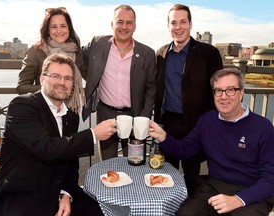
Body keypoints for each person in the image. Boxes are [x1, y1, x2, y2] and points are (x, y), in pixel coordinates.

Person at [0, 54, 116, 216]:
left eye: (67, 78)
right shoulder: (23, 105)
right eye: (55, 76)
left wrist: (66, 194)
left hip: (57, 190)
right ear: (42, 79)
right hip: (22, 194)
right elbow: (46, 148)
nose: (62, 82)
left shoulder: (71, 116)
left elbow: (71, 162)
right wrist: (93, 134)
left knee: (101, 211)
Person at [149, 68, 274, 216]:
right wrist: (162, 136)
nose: (223, 96)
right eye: (218, 91)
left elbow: (271, 178)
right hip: (214, 186)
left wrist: (238, 199)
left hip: (251, 191)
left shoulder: (263, 127)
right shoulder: (207, 121)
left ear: (241, 93)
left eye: (230, 90)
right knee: (186, 213)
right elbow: (183, 150)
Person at [154, 3, 223, 195]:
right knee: (167, 174)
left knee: (192, 175)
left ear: (190, 24)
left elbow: (219, 89)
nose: (178, 27)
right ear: (168, 26)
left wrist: (214, 122)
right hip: (168, 122)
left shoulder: (208, 53)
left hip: (196, 123)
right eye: (173, 23)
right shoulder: (160, 54)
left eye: (183, 22)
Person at [82, 5, 156, 160]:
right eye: (120, 21)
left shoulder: (147, 53)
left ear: (135, 26)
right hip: (106, 114)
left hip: (135, 116)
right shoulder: (97, 43)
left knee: (136, 162)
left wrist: (143, 119)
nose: (124, 27)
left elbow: (151, 89)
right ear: (112, 24)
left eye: (129, 23)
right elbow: (77, 56)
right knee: (108, 164)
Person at [16, 7, 85, 113]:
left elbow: (90, 75)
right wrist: (51, 88)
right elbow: (21, 87)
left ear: (69, 28)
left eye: (63, 26)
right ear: (47, 30)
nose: (59, 31)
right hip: (43, 111)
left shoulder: (77, 52)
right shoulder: (36, 51)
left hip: (70, 111)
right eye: (53, 27)